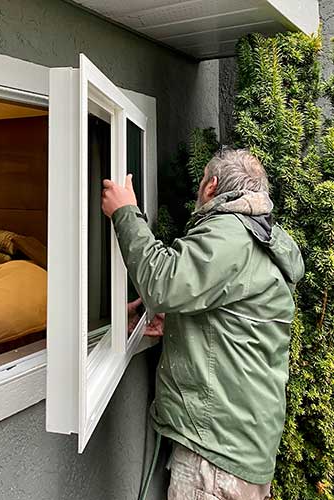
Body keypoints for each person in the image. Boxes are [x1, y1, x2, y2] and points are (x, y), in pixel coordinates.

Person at [101, 148, 304, 500]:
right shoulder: (263, 238)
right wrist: (177, 322)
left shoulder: (231, 234)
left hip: (215, 457)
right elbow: (236, 320)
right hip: (242, 448)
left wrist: (124, 213)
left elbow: (163, 283)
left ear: (211, 186)